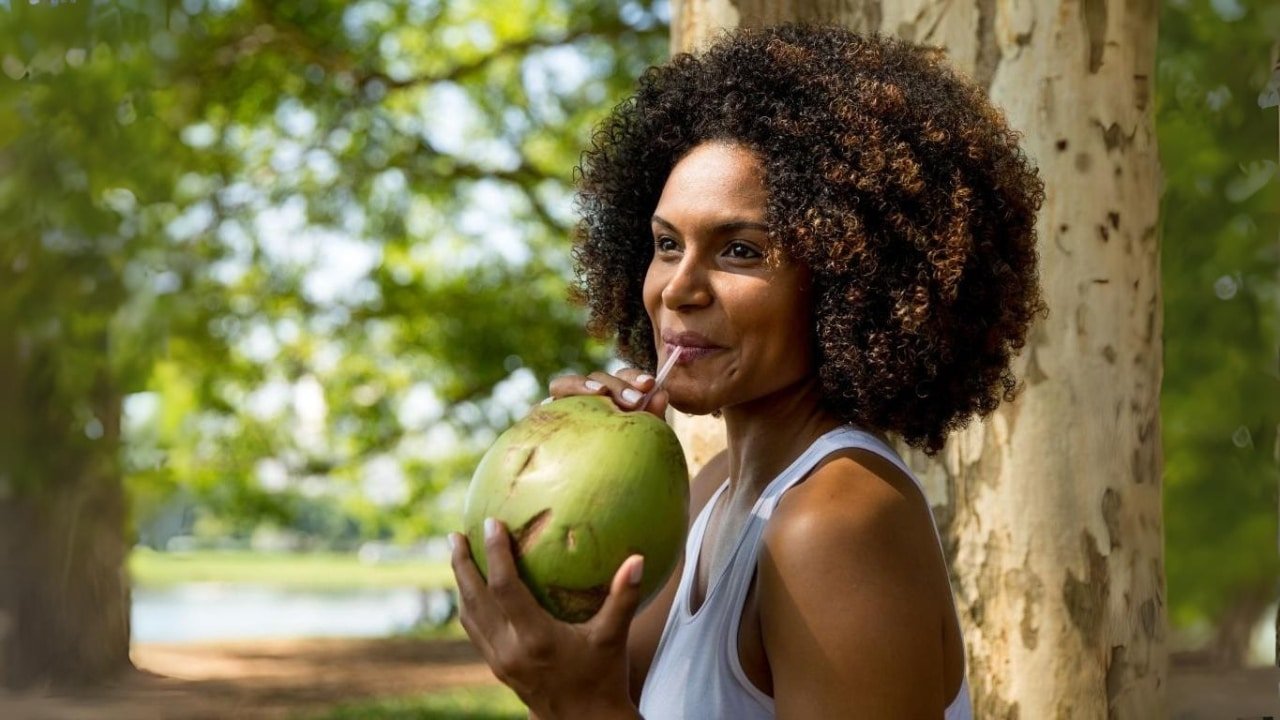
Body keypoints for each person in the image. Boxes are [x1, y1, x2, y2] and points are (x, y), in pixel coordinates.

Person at [448, 24, 1045, 719]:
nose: (679, 288)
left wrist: (577, 708)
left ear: (848, 281)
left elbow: (593, 707)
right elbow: (607, 685)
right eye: (667, 244)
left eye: (739, 251)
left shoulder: (837, 523)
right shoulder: (706, 495)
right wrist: (589, 490)